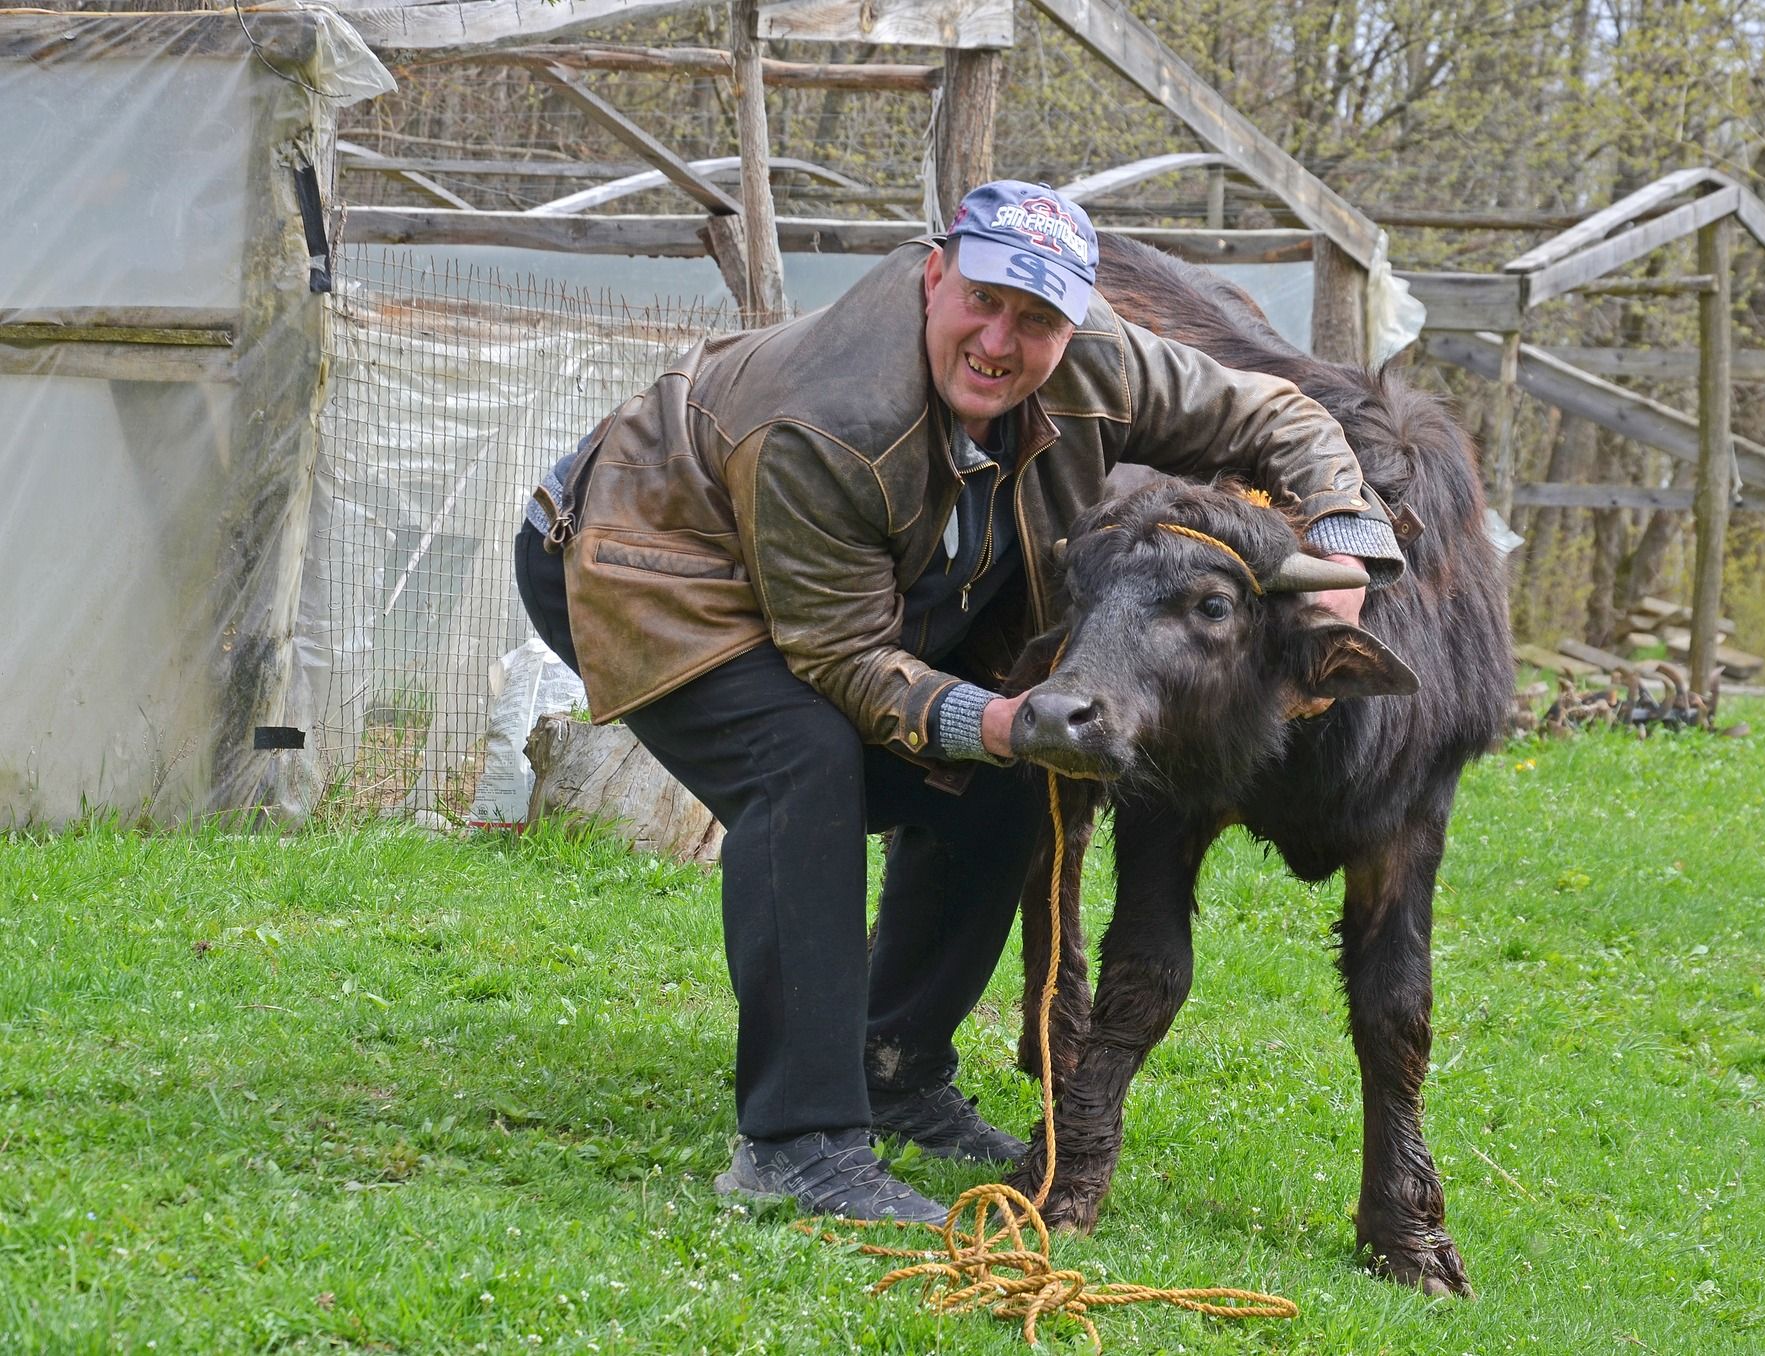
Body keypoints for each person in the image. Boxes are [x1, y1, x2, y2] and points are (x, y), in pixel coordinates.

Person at [514, 181, 1405, 1222]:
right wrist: (992, 718)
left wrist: (1344, 533)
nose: (1000, 339)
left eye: (1035, 319)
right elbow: (843, 660)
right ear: (934, 274)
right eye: (981, 299)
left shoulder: (1096, 360)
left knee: (1006, 774)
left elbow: (1276, 413)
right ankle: (797, 1146)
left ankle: (895, 1064)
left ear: (1072, 322)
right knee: (801, 761)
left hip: (835, 568)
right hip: (648, 559)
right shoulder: (830, 423)